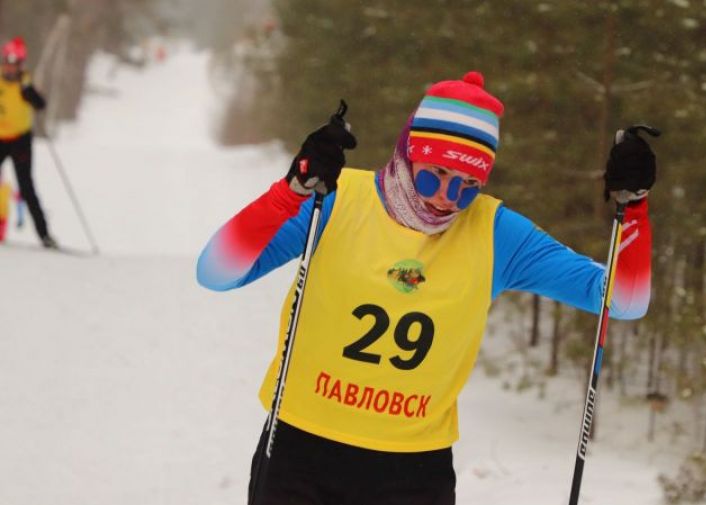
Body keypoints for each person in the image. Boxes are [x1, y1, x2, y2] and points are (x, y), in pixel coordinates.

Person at [197, 71, 656, 505]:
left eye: (466, 186)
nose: (445, 198)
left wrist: (633, 208)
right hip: (300, 448)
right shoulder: (337, 200)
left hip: (412, 469)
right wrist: (290, 192)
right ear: (407, 152)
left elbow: (622, 300)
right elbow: (217, 272)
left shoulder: (496, 233)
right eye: (433, 176)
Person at [0, 36, 56, 248]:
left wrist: (29, 95)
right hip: (0, 139)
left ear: (20, 65)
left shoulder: (26, 83)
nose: (9, 67)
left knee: (26, 188)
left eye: (13, 63)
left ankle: (44, 235)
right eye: (6, 61)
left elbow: (40, 104)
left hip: (20, 141)